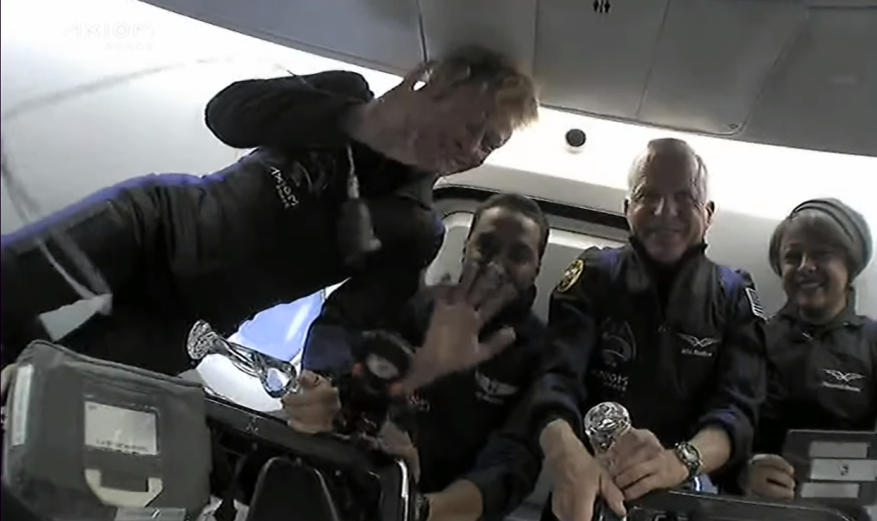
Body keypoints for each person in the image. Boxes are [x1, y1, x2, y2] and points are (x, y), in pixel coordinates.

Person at [0, 47, 538, 385]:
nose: (472, 149)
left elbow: (345, 327)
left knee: (49, 393)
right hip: (153, 225)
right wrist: (356, 120)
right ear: (440, 87)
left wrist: (392, 374)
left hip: (190, 321)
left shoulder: (419, 228)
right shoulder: (348, 92)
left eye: (490, 144)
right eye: (474, 124)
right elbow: (226, 114)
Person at [527, 138, 767, 521]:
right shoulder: (593, 276)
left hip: (683, 496)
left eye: (684, 198)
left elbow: (737, 411)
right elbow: (554, 383)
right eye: (647, 195)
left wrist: (679, 461)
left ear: (708, 214)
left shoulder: (734, 294)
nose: (663, 211)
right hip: (587, 491)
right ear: (627, 209)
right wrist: (566, 457)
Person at [285, 193, 551, 521]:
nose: (497, 265)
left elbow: (514, 459)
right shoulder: (415, 305)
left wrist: (417, 507)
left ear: (537, 267)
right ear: (466, 245)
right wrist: (328, 387)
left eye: (518, 255)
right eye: (487, 246)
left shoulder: (540, 355)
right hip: (355, 485)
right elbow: (342, 331)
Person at [745, 198, 877, 501]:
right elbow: (721, 426)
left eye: (822, 254)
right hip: (754, 510)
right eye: (793, 256)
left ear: (850, 265)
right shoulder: (755, 338)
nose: (805, 266)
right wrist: (742, 470)